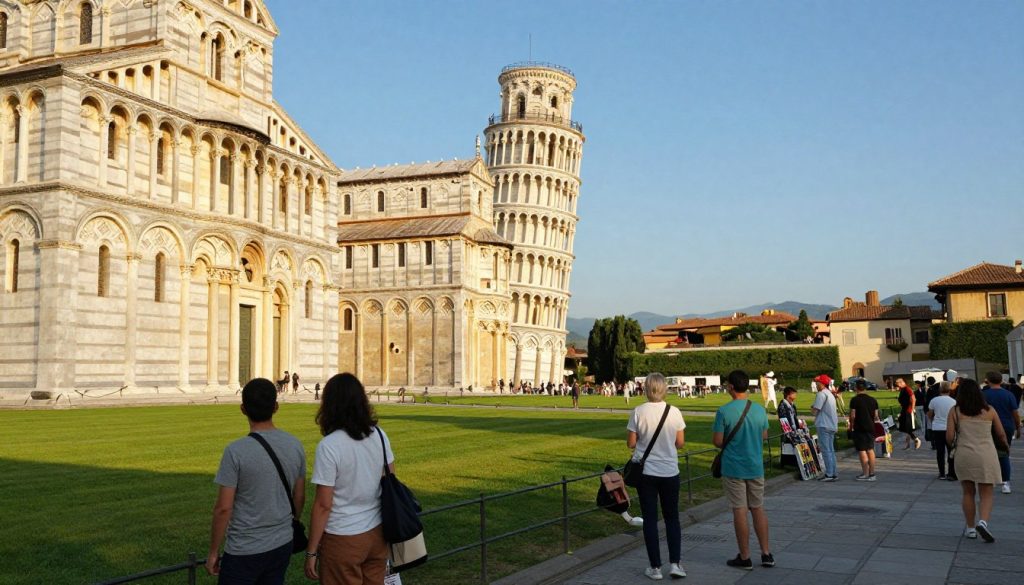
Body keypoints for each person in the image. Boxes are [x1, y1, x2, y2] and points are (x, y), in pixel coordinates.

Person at [206, 378, 306, 584]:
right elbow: (299, 495)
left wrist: (213, 551)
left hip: (245, 548)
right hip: (282, 542)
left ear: (243, 409)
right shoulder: (295, 444)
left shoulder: (235, 451)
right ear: (276, 407)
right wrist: (292, 522)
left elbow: (224, 508)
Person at [305, 373, 394, 585]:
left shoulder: (329, 446)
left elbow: (323, 505)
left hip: (343, 536)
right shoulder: (379, 435)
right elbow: (390, 478)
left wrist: (311, 551)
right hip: (377, 532)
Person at [626, 373, 687, 581]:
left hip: (647, 472)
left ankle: (655, 567)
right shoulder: (674, 411)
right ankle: (675, 564)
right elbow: (680, 443)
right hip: (669, 470)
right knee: (672, 518)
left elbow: (631, 443)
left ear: (646, 389)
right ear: (664, 389)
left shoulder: (638, 411)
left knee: (650, 520)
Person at [714, 369, 773, 571]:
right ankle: (766, 553)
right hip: (755, 465)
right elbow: (764, 436)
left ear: (731, 387)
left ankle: (745, 556)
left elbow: (718, 441)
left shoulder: (724, 411)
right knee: (757, 508)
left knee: (739, 510)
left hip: (733, 467)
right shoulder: (759, 410)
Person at [946, 378, 1008, 542]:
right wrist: (1006, 447)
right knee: (986, 493)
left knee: (968, 492)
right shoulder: (990, 410)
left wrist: (954, 445)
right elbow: (1001, 434)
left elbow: (949, 436)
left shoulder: (955, 411)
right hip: (986, 454)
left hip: (964, 454)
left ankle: (971, 528)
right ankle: (983, 522)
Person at [982, 371, 1020, 494]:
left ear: (988, 381)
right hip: (1006, 425)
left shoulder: (984, 395)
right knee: (1004, 453)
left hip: (988, 426)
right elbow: (1015, 413)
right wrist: (1018, 427)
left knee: (988, 453)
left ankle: (991, 479)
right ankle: (1006, 482)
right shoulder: (1008, 394)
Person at [848, 380, 879, 481]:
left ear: (856, 388)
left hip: (859, 427)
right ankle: (872, 473)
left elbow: (853, 415)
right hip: (871, 427)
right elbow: (876, 416)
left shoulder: (854, 400)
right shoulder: (873, 400)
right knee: (870, 449)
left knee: (862, 450)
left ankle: (865, 473)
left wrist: (851, 426)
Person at [811, 374, 839, 481]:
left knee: (826, 450)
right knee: (831, 450)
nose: (816, 384)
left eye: (817, 382)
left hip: (823, 424)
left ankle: (829, 474)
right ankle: (833, 472)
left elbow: (815, 411)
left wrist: (812, 408)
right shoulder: (830, 394)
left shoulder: (821, 394)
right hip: (831, 425)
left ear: (822, 383)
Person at [927, 381, 957, 480]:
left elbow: (930, 414)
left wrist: (934, 420)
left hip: (937, 428)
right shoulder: (953, 401)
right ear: (949, 389)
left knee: (940, 451)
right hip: (950, 428)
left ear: (940, 390)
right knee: (951, 451)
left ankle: (942, 473)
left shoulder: (934, 400)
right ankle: (951, 472)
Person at [777, 387, 799, 468]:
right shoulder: (783, 405)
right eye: (794, 393)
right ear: (788, 395)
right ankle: (786, 463)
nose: (795, 395)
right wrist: (788, 431)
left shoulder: (792, 405)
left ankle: (792, 462)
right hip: (787, 429)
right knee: (787, 446)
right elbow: (783, 419)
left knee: (792, 446)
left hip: (794, 429)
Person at [896, 378, 920, 450]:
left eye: (898, 385)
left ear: (902, 383)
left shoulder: (907, 389)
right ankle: (908, 444)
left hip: (908, 411)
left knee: (907, 427)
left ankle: (916, 439)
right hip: (904, 410)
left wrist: (912, 409)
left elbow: (913, 399)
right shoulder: (902, 390)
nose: (897, 386)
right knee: (904, 427)